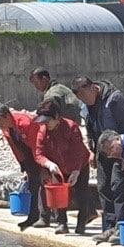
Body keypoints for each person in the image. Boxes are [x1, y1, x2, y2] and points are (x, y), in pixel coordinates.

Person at [72, 76, 124, 242]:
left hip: (118, 150)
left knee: (117, 186)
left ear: (93, 88)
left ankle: (120, 227)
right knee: (103, 187)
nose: (85, 101)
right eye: (81, 99)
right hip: (101, 151)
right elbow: (90, 128)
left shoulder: (115, 99)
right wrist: (92, 150)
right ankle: (108, 227)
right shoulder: (87, 104)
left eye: (84, 97)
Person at [32, 98, 94, 235]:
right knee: (60, 196)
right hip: (58, 167)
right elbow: (38, 154)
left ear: (57, 117)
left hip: (79, 166)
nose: (45, 124)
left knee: (81, 194)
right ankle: (62, 223)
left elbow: (78, 152)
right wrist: (48, 163)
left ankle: (81, 222)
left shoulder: (71, 127)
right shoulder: (42, 131)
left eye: (48, 121)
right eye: (43, 121)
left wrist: (76, 171)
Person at [0, 102, 49, 231]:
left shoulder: (26, 123)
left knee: (44, 183)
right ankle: (33, 216)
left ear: (5, 116)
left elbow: (37, 145)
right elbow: (15, 148)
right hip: (28, 155)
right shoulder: (6, 129)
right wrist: (24, 166)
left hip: (42, 152)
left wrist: (43, 166)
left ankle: (45, 217)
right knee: (33, 185)